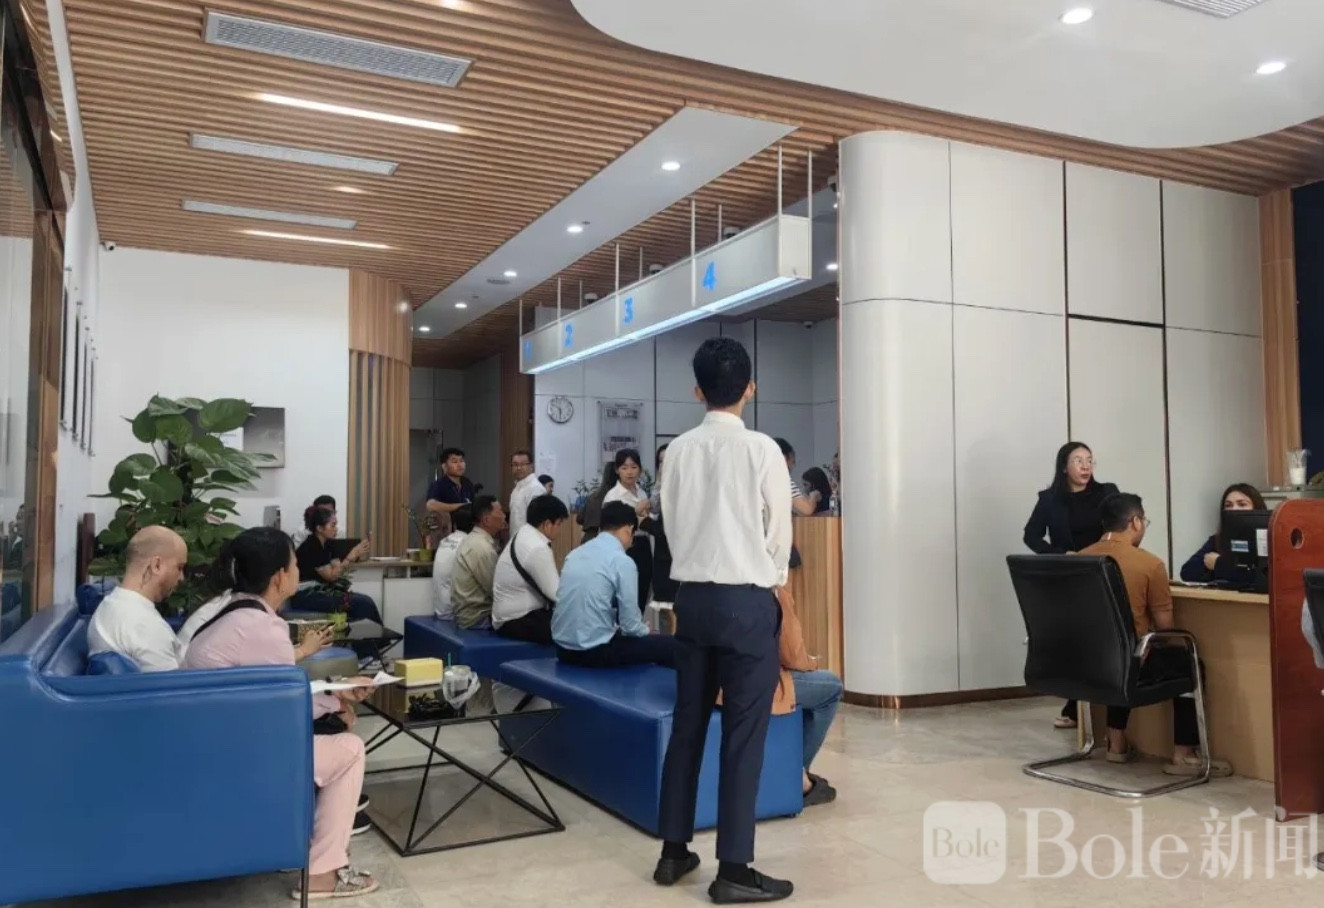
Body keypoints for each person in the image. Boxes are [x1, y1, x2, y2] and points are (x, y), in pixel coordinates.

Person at [655, 337, 794, 902]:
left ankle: (673, 852)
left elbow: (668, 524)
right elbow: (778, 532)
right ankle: (734, 870)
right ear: (750, 388)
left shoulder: (677, 451)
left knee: (687, 725)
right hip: (746, 601)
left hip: (691, 601)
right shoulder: (762, 449)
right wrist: (770, 579)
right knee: (743, 735)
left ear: (697, 391)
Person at [182, 528, 379, 900]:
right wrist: (337, 705)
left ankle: (299, 848)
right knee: (349, 750)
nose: (299, 570)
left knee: (333, 735)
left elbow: (270, 694)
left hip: (211, 740)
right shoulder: (261, 627)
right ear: (278, 578)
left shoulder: (232, 612)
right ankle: (322, 873)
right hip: (232, 756)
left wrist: (336, 695)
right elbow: (283, 711)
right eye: (295, 564)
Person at [1079, 493, 1231, 777]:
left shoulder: (1078, 559)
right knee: (1185, 659)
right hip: (1126, 667)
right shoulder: (1149, 565)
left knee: (1118, 648)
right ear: (1135, 522)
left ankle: (1116, 742)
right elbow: (1166, 630)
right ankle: (1184, 754)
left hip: (1083, 666)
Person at [1023, 441, 1119, 730]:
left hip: (1102, 572)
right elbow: (1031, 536)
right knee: (1075, 642)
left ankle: (1101, 700)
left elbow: (1120, 527)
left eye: (1090, 460)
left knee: (1101, 639)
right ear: (1064, 467)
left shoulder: (1107, 493)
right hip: (1068, 578)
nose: (1086, 466)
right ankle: (1076, 701)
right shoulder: (1049, 499)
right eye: (1079, 460)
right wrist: (1059, 555)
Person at [553, 502, 677, 668]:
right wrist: (646, 630)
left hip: (562, 649)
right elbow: (630, 626)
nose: (631, 543)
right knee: (674, 646)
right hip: (593, 652)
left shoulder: (575, 554)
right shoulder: (622, 561)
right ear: (628, 530)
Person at [774, 585, 842, 806]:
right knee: (831, 687)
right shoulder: (772, 588)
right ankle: (796, 774)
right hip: (759, 684)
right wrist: (811, 663)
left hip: (717, 683)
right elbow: (792, 655)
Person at [87, 526, 189, 671]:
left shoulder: (109, 606)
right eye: (179, 567)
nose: (181, 578)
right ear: (156, 565)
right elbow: (170, 684)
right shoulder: (145, 627)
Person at [493, 495, 567, 644]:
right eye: (559, 524)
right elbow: (557, 594)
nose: (560, 530)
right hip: (518, 619)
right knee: (578, 625)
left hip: (505, 617)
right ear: (547, 524)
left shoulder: (524, 533)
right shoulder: (537, 547)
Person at [290, 506, 382, 623]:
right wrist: (350, 557)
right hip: (306, 595)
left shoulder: (328, 544)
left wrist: (353, 556)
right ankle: (376, 635)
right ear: (319, 528)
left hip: (320, 591)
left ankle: (371, 635)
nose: (336, 529)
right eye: (332, 525)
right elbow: (331, 576)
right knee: (363, 603)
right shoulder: (312, 546)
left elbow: (337, 572)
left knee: (366, 601)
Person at [1179, 483, 1267, 583]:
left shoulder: (1268, 540)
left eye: (1242, 504)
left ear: (1257, 508)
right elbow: (1187, 572)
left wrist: (1218, 565)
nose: (1234, 509)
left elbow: (1262, 577)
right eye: (1228, 505)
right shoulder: (1218, 539)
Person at [603, 447, 655, 610]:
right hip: (624, 547)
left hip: (643, 545)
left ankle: (637, 622)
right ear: (617, 470)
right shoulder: (613, 495)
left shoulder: (642, 492)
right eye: (624, 468)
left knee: (642, 591)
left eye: (633, 467)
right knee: (625, 594)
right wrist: (635, 512)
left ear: (640, 469)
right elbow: (610, 525)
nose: (629, 472)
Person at [450, 495, 506, 630]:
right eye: (500, 512)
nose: (504, 516)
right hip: (477, 619)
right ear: (486, 520)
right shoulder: (481, 547)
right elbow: (496, 590)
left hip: (468, 615)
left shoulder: (474, 539)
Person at [647, 444, 678, 607]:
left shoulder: (682, 487)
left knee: (673, 605)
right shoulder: (660, 486)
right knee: (665, 606)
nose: (664, 465)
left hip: (675, 555)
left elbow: (668, 527)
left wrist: (644, 522)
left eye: (668, 460)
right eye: (660, 462)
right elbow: (654, 508)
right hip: (661, 554)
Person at [431, 506, 474, 620]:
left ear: (454, 525)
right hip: (454, 615)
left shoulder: (444, 541)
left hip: (440, 609)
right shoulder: (469, 544)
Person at [425, 447, 476, 523]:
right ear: (444, 467)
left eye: (461, 461)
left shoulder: (467, 483)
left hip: (467, 527)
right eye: (454, 462)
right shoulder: (439, 484)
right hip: (448, 527)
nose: (459, 465)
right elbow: (431, 505)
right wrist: (460, 506)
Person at [775, 438, 818, 518]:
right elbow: (807, 509)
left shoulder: (759, 478)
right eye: (792, 461)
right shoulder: (781, 480)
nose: (793, 466)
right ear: (784, 457)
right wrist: (814, 496)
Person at [577, 460, 618, 543]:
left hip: (588, 539)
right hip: (606, 540)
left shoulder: (593, 496)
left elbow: (579, 518)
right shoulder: (616, 496)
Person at [508, 450, 544, 536]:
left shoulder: (536, 489)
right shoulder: (516, 489)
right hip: (516, 539)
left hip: (529, 540)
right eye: (515, 464)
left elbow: (537, 522)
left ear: (531, 466)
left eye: (523, 464)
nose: (518, 468)